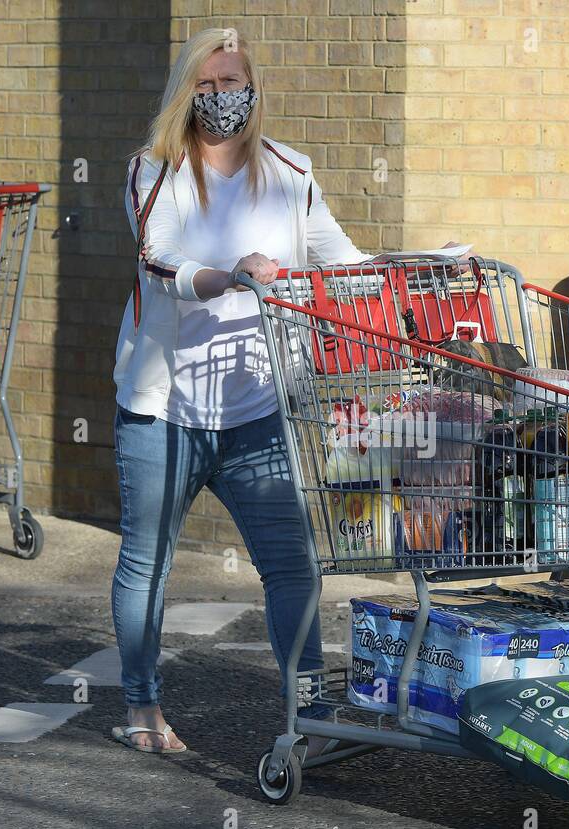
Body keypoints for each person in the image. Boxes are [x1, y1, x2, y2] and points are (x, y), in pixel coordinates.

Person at [108, 27, 375, 755]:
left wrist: (421, 268)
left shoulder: (290, 170)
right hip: (166, 409)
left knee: (293, 565)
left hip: (258, 406)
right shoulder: (153, 171)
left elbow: (342, 261)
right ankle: (141, 709)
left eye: (234, 82)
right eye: (208, 83)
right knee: (147, 563)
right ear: (185, 92)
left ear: (252, 90)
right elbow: (162, 260)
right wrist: (231, 275)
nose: (224, 96)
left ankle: (309, 716)